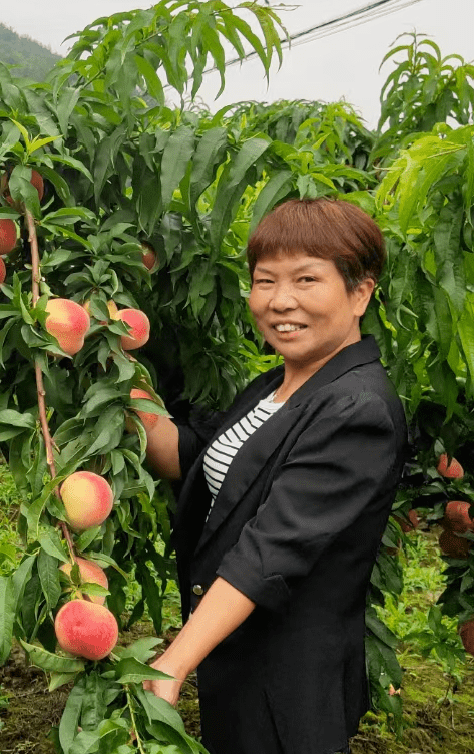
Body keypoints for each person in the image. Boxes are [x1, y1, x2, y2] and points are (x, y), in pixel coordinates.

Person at [138, 198, 407, 754]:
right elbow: (194, 460)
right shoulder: (275, 386)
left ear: (360, 292)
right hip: (238, 659)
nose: (281, 301)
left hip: (286, 684)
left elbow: (271, 549)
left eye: (307, 279)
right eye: (265, 281)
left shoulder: (356, 408)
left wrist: (175, 661)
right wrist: (113, 374)